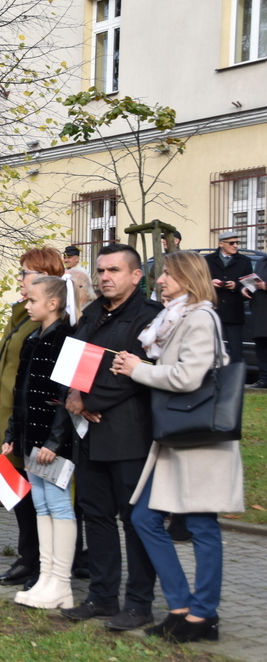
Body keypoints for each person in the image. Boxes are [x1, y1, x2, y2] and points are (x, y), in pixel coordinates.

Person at [111, 250, 244, 643]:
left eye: (167, 274)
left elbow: (190, 376)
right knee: (144, 518)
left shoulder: (201, 317)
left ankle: (201, 616)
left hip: (201, 439)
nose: (161, 281)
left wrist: (140, 370)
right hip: (180, 438)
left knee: (201, 525)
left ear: (187, 277)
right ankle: (182, 607)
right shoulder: (175, 319)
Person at [59, 243, 163, 631]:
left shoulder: (149, 317)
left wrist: (87, 398)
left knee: (135, 520)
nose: (105, 277)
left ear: (136, 276)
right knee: (96, 515)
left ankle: (139, 603)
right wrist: (73, 396)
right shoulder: (92, 314)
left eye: (114, 270)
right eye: (101, 270)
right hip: (88, 431)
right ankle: (102, 596)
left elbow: (132, 374)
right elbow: (71, 361)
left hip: (129, 434)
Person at [0, 247, 65, 589]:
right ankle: (29, 556)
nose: (19, 279)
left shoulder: (55, 323)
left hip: (39, 420)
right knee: (19, 491)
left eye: (25, 273)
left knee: (42, 497)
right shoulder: (24, 313)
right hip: (13, 414)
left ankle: (42, 563)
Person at [1, 276, 77, 609]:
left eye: (32, 300)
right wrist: (12, 435)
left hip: (50, 442)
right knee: (41, 506)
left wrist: (55, 441)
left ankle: (61, 581)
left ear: (53, 303)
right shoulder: (33, 338)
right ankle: (46, 577)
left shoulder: (67, 338)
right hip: (29, 438)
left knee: (59, 506)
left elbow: (66, 396)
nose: (26, 304)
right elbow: (21, 392)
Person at [205, 231, 251, 364]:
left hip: (234, 312)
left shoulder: (245, 261)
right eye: (232, 243)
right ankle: (211, 380)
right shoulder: (208, 260)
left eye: (237, 242)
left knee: (236, 351)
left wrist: (237, 286)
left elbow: (249, 285)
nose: (236, 245)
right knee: (210, 349)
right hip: (213, 311)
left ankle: (235, 381)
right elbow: (199, 282)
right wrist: (210, 283)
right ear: (221, 244)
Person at [244, 251, 267, 389]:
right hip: (260, 312)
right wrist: (246, 290)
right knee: (262, 347)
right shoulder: (261, 262)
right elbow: (253, 281)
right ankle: (264, 379)